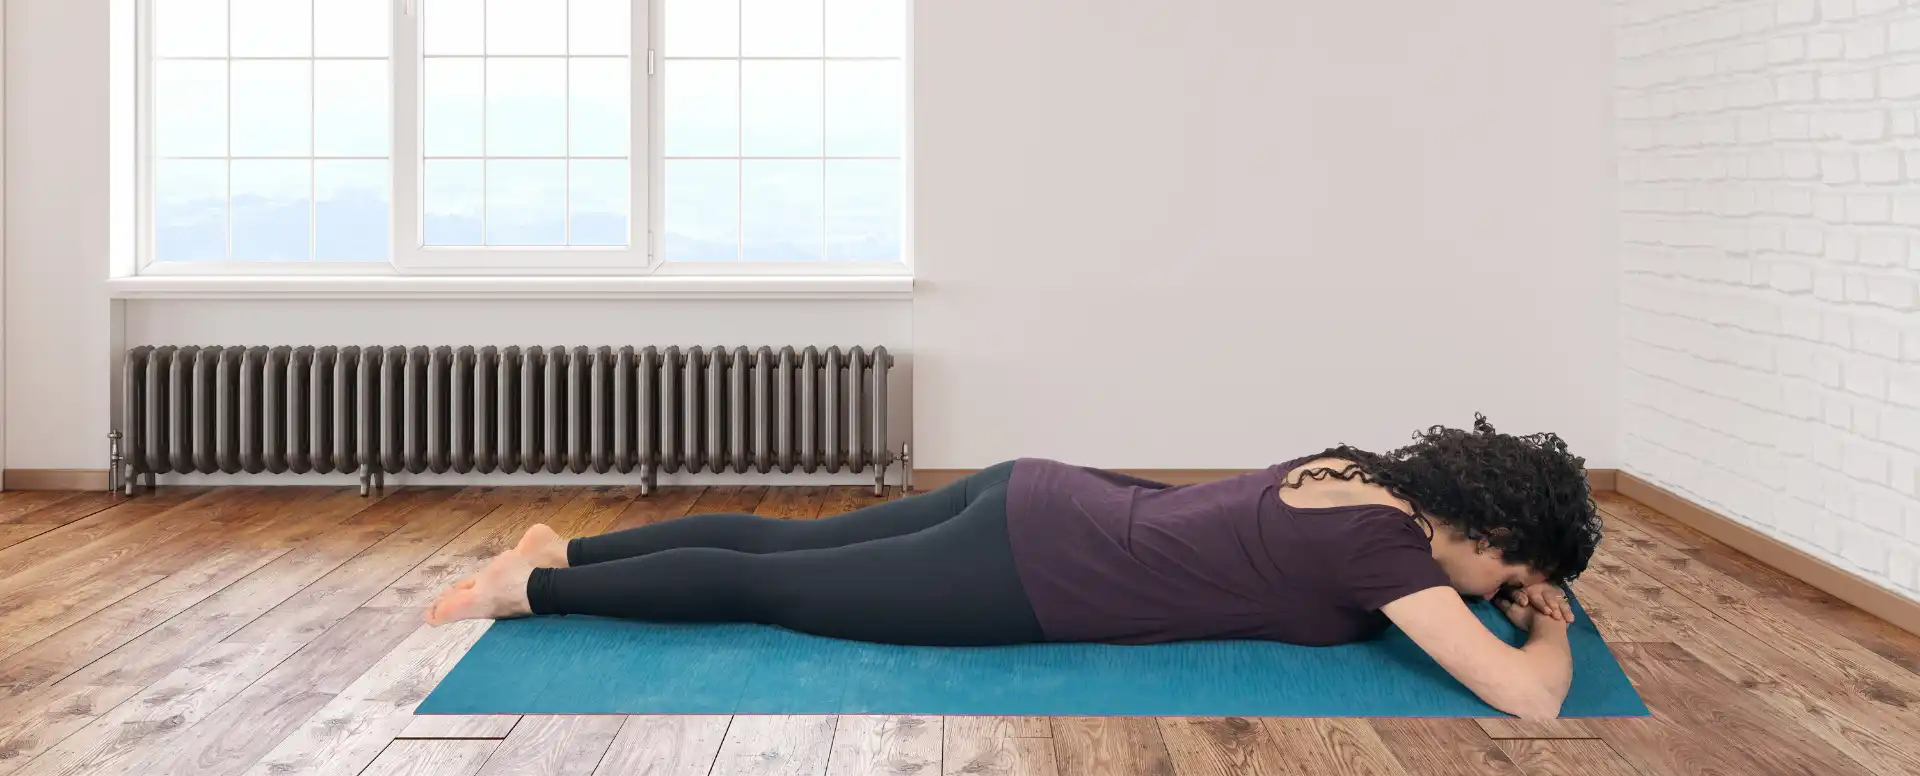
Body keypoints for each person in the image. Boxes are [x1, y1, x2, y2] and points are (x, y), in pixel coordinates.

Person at [425, 415, 1602, 720]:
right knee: (772, 587)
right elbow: (1529, 697)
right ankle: (527, 590)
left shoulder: (1360, 474)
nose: (1495, 592)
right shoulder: (1386, 553)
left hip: (1040, 489)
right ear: (1495, 535)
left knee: (786, 544)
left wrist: (1508, 591)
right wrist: (1543, 623)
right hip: (1036, 569)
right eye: (1509, 570)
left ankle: (562, 544)